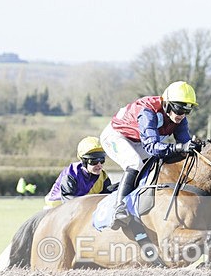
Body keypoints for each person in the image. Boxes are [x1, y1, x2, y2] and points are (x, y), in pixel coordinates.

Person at [99, 80, 201, 227]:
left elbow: (184, 146)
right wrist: (180, 147)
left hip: (140, 141)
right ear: (167, 104)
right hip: (116, 136)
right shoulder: (148, 112)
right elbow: (152, 147)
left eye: (187, 111)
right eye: (179, 110)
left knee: (160, 163)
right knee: (134, 163)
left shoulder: (180, 119)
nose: (182, 115)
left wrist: (193, 147)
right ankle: (119, 209)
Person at [45, 136, 112, 208]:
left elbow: (106, 197)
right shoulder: (71, 174)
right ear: (84, 161)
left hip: (81, 209)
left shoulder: (103, 176)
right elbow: (69, 202)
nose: (99, 165)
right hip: (56, 207)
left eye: (102, 160)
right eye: (94, 161)